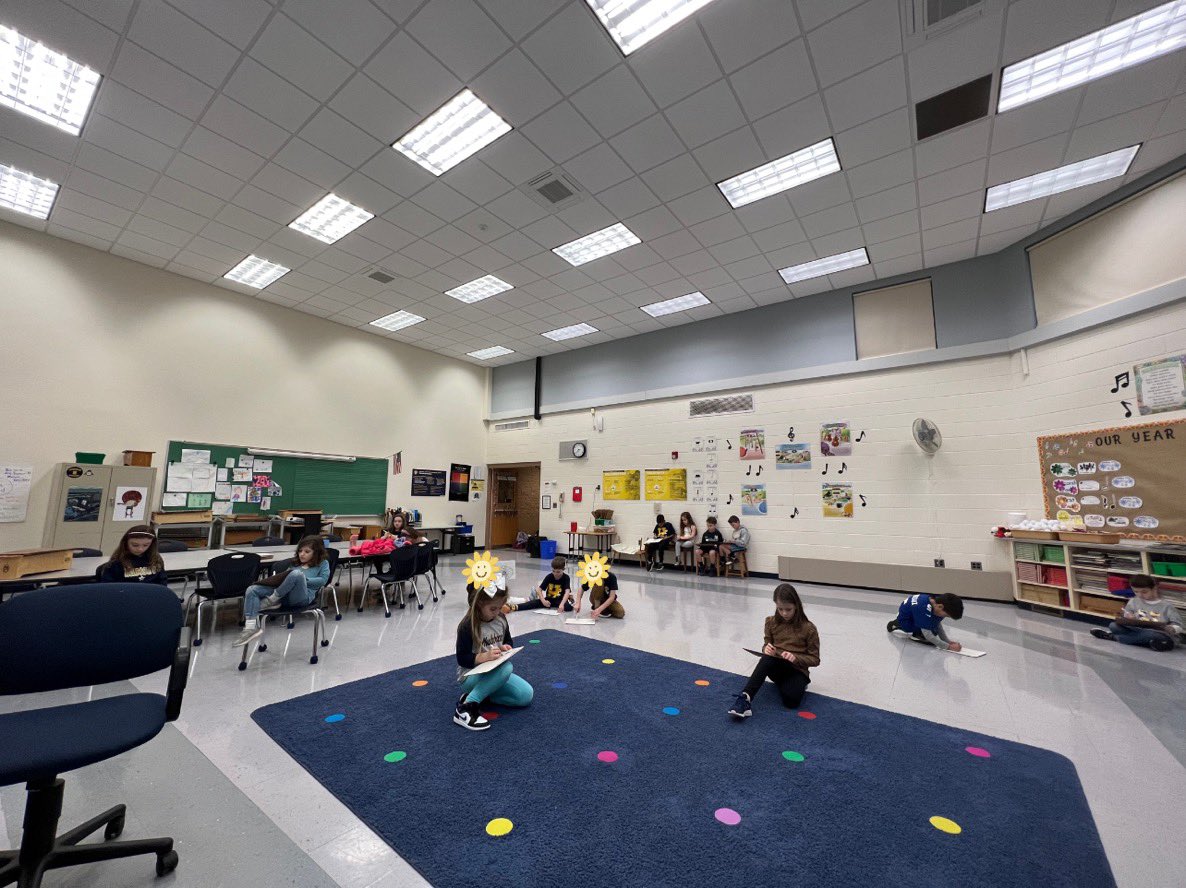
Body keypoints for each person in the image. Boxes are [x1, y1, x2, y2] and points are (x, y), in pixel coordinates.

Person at [729, 584, 819, 718]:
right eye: (780, 609)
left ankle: (791, 685)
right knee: (766, 658)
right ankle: (745, 697)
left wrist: (795, 658)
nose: (784, 613)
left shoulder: (809, 628)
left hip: (797, 670)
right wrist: (766, 649)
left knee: (791, 702)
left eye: (788, 609)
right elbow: (766, 644)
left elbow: (815, 659)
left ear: (796, 606)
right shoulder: (770, 622)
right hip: (775, 665)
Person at [454, 582, 533, 731]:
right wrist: (483, 657)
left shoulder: (501, 618)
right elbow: (462, 658)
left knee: (525, 695)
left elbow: (507, 640)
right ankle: (467, 707)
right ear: (479, 604)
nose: (497, 612)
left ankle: (481, 694)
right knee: (507, 667)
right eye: (492, 609)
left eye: (499, 607)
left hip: (494, 672)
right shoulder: (467, 625)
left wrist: (505, 647)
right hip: (470, 676)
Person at [234, 535, 330, 647]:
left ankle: (272, 600)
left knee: (296, 574)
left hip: (302, 598)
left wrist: (303, 580)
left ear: (316, 553)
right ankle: (250, 628)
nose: (302, 554)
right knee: (252, 589)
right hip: (284, 596)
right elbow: (286, 581)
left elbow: (323, 581)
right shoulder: (295, 564)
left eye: (307, 551)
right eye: (300, 551)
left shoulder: (323, 564)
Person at [1091, 574, 1181, 651]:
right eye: (1136, 591)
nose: (1140, 595)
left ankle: (1113, 637)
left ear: (1154, 588)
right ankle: (1148, 643)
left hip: (1159, 633)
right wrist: (1128, 617)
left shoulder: (1167, 606)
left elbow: (1178, 625)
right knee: (1113, 625)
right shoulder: (1133, 601)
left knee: (1152, 635)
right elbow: (1126, 616)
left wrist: (1172, 628)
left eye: (1144, 592)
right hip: (1138, 629)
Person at [886, 592, 964, 652]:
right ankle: (898, 625)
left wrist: (947, 641)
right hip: (906, 620)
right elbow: (928, 636)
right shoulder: (923, 609)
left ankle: (919, 630)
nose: (945, 617)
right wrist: (949, 647)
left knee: (934, 630)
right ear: (940, 606)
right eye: (947, 615)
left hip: (915, 614)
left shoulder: (936, 604)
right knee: (930, 636)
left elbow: (937, 623)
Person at [98, 525, 168, 585]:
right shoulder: (116, 563)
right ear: (125, 543)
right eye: (135, 545)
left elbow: (162, 583)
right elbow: (108, 588)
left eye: (146, 545)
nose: (140, 549)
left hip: (150, 596)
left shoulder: (156, 559)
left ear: (152, 544)